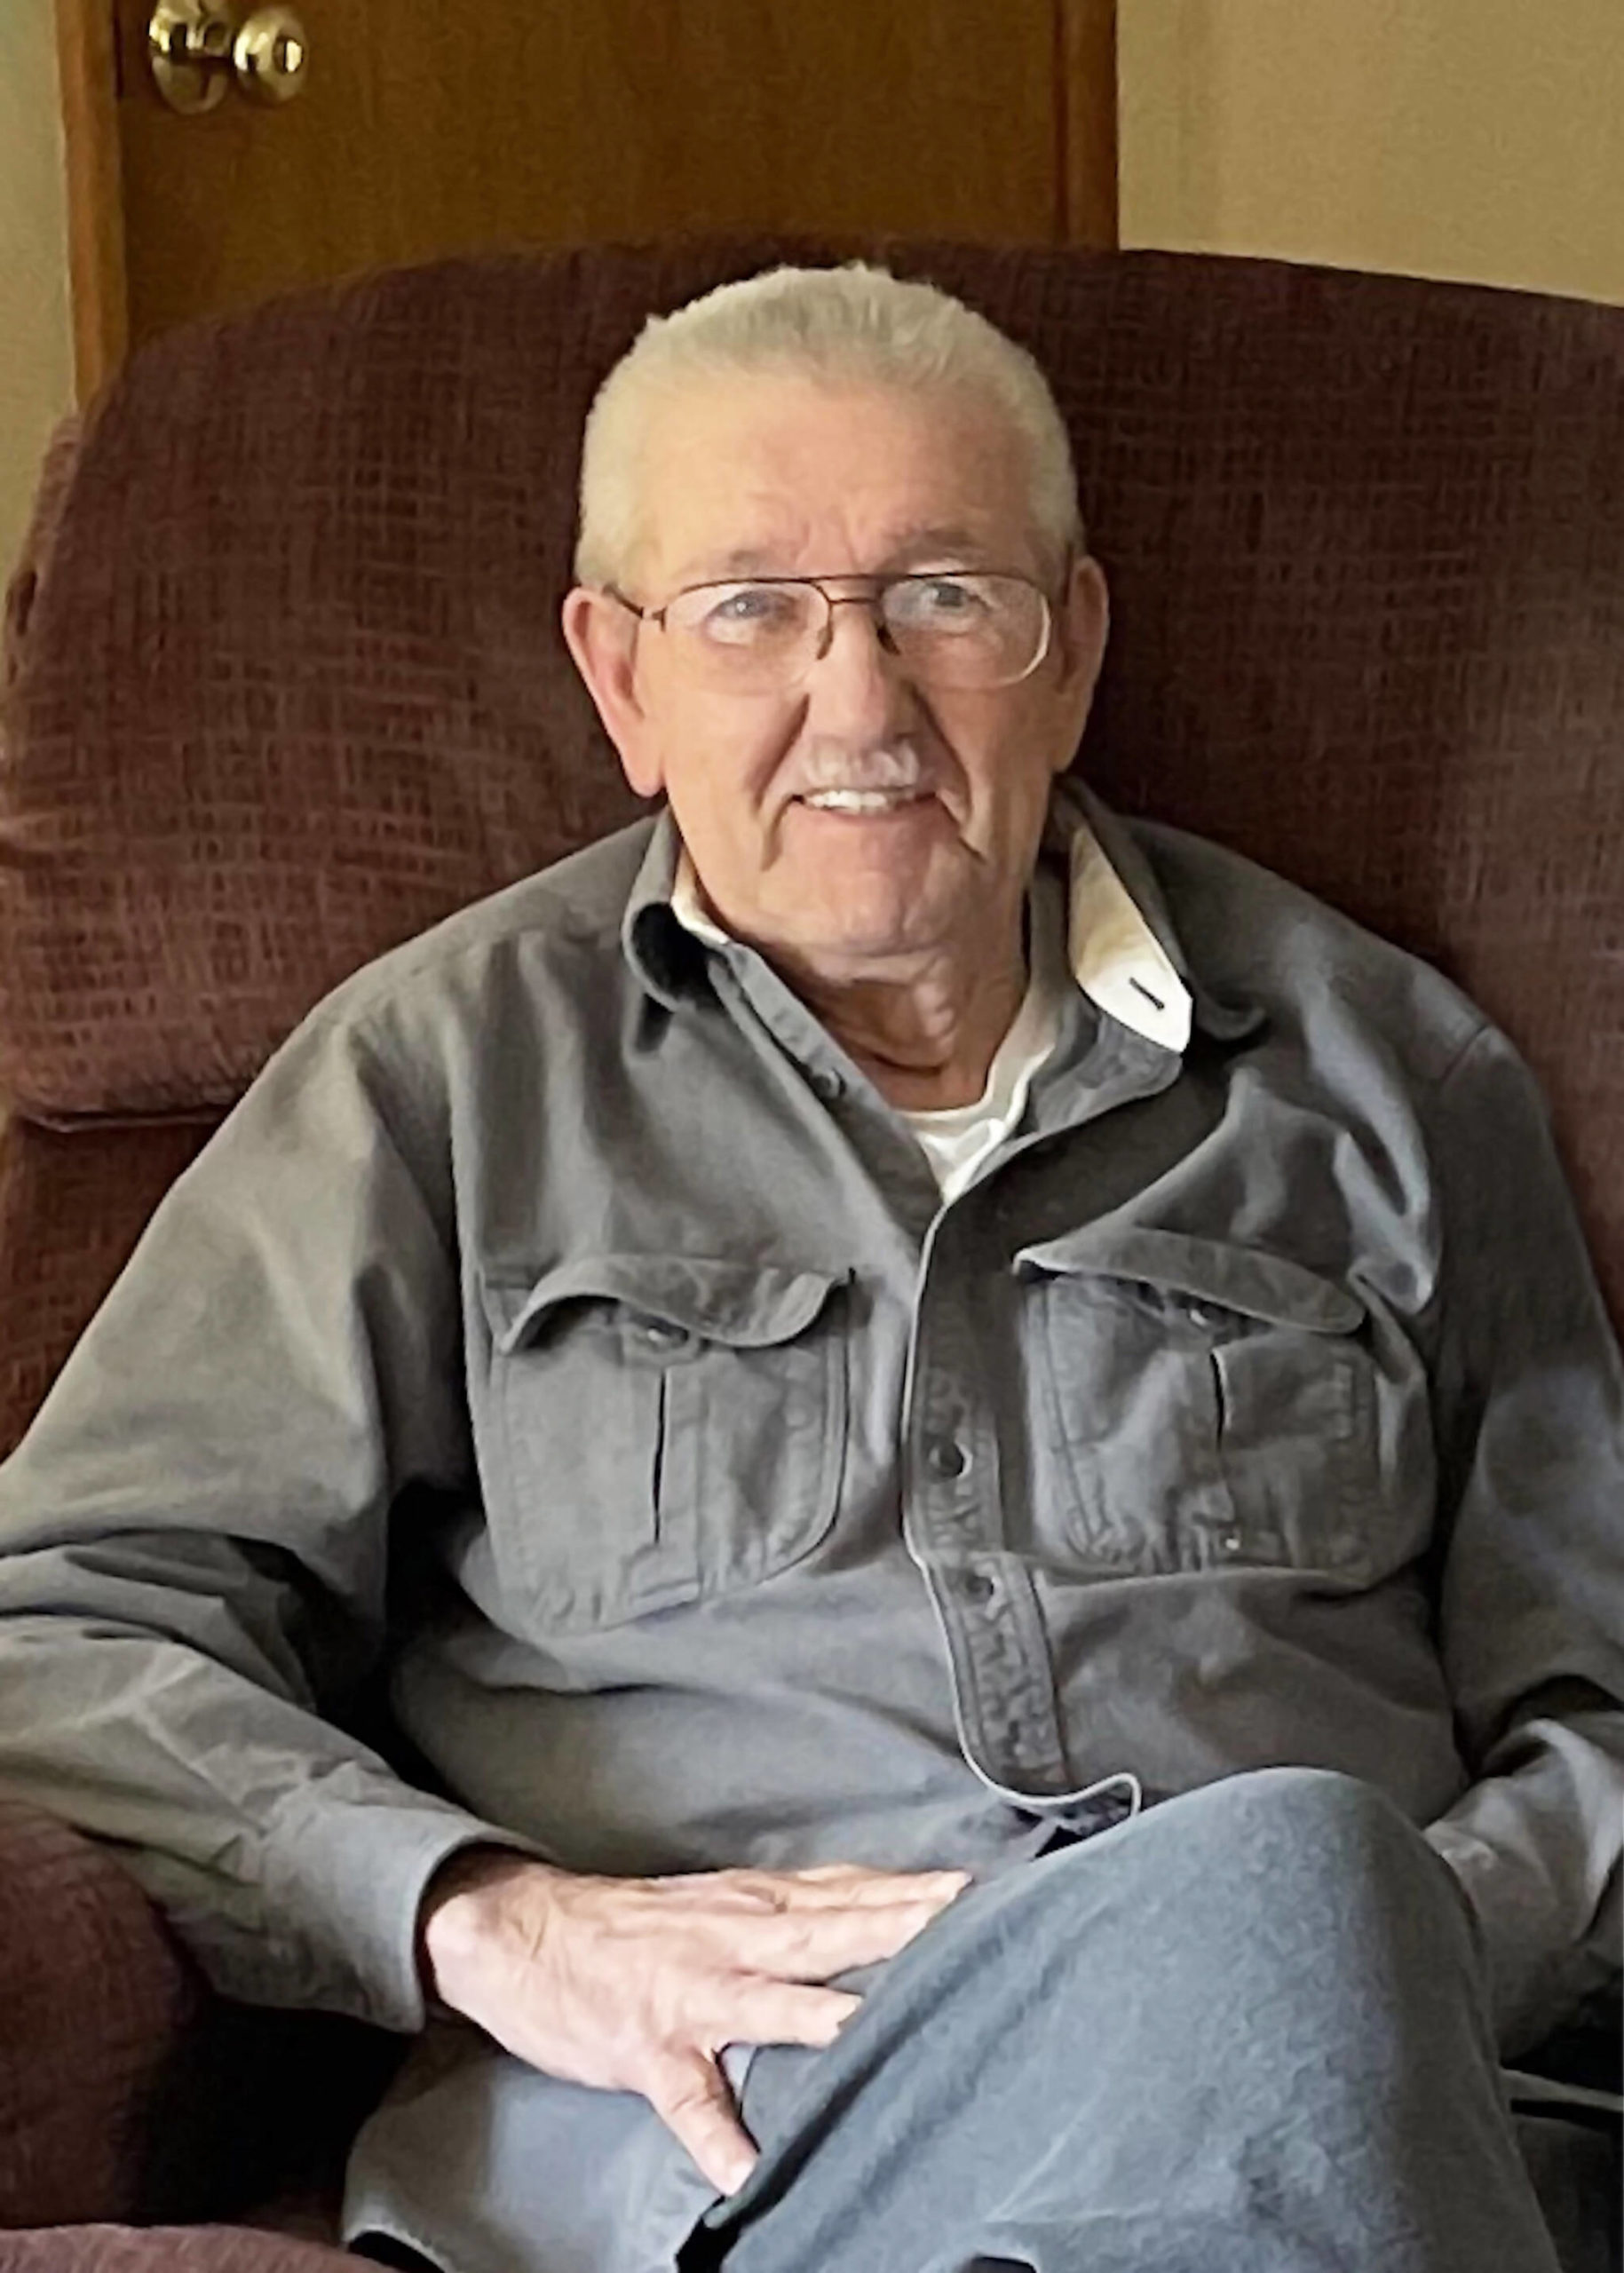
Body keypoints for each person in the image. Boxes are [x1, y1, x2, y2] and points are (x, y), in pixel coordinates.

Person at [0, 262, 1617, 2273]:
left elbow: (1598, 1693)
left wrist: (1399, 1939)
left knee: (1293, 1883)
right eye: (751, 608)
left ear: (1071, 651)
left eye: (944, 595)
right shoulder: (438, 1083)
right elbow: (62, 1617)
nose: (859, 703)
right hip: (735, 2145)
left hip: (1347, 2078)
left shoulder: (1390, 1078)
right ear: (620, 679)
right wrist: (475, 1911)